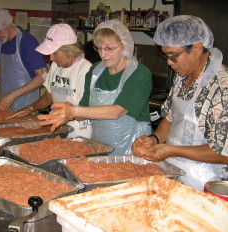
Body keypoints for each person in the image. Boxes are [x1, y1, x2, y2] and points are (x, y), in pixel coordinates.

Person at [132, 15, 228, 191]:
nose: (169, 62)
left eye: (174, 56)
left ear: (197, 48)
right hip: (175, 173)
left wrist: (171, 150)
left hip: (206, 183)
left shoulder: (221, 88)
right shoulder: (182, 76)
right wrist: (154, 139)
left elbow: (224, 153)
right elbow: (171, 117)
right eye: (167, 56)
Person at [38, 20, 153, 154]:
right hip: (100, 146)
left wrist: (74, 111)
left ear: (124, 46)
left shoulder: (139, 73)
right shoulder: (95, 71)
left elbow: (117, 111)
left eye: (109, 48)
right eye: (99, 48)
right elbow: (85, 110)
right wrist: (64, 115)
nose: (103, 54)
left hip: (133, 148)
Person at [8, 23, 92, 138]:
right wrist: (30, 108)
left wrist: (47, 121)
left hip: (77, 131)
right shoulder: (55, 66)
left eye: (55, 53)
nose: (51, 58)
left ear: (70, 50)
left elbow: (83, 110)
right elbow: (49, 96)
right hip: (56, 125)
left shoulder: (85, 69)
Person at [0, 8, 47, 111]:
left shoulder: (28, 42)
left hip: (26, 107)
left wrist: (13, 95)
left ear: (6, 25)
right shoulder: (0, 42)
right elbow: (0, 66)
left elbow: (42, 77)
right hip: (6, 105)